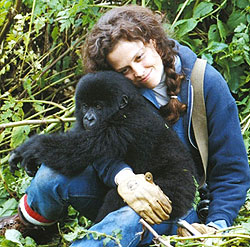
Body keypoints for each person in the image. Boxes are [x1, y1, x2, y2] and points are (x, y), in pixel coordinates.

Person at [1, 4, 249, 247]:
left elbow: (232, 170)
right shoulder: (115, 92)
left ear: (153, 40)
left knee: (124, 222)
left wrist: (217, 227)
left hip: (176, 202)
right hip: (119, 189)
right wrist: (125, 178)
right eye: (126, 69)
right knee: (50, 175)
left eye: (139, 57)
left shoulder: (206, 84)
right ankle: (31, 227)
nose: (139, 72)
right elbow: (93, 145)